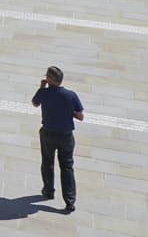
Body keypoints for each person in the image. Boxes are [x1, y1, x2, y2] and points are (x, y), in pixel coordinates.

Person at [32, 66, 84, 213]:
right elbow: (80, 116)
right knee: (67, 167)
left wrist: (42, 87)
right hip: (66, 136)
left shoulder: (44, 93)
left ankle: (48, 191)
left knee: (47, 162)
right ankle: (70, 201)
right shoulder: (71, 95)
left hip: (48, 134)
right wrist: (70, 112)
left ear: (49, 79)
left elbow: (35, 103)